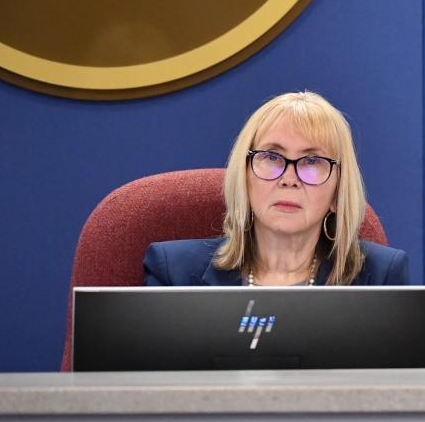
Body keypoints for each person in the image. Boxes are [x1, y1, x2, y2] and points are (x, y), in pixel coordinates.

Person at [144, 91, 408, 286]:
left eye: (312, 161)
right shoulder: (173, 272)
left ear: (338, 193)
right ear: (244, 177)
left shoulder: (381, 276)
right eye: (271, 157)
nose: (289, 178)